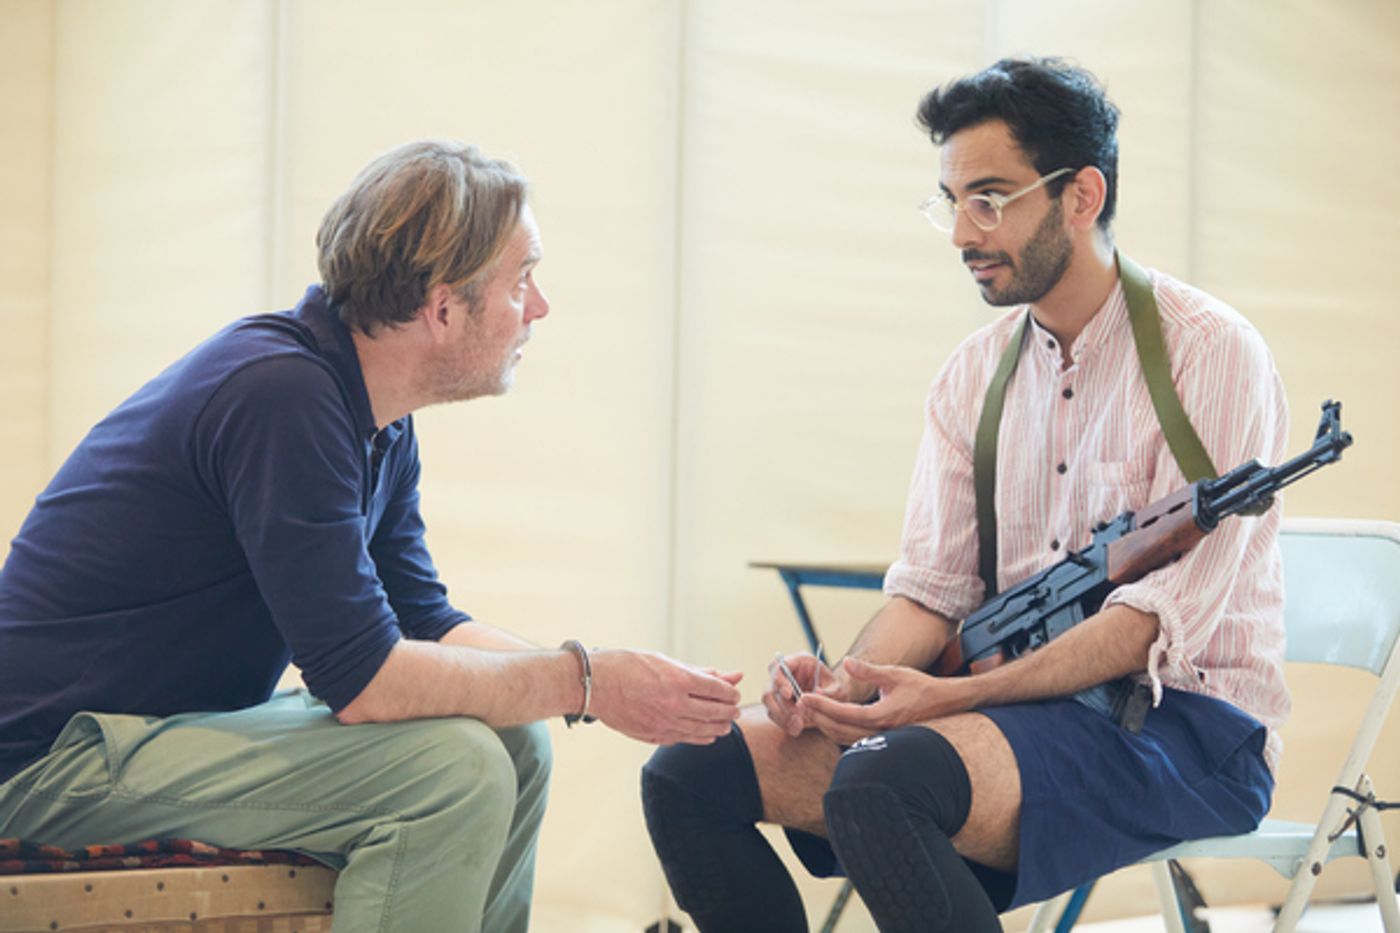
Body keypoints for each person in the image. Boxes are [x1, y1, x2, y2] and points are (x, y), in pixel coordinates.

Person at [0, 140, 743, 933]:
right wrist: (589, 682)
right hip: (52, 762)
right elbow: (364, 682)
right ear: (443, 306)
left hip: (162, 730)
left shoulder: (372, 418)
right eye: (521, 280)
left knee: (517, 740)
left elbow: (424, 620)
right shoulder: (281, 396)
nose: (540, 307)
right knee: (452, 773)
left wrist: (606, 675)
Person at [642, 57, 1289, 932]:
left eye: (989, 198)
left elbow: (1150, 621)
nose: (960, 233)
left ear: (1081, 195)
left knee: (881, 782)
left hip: (1180, 726)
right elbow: (934, 593)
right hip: (1020, 718)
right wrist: (845, 685)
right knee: (690, 769)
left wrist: (950, 699)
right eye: (950, 201)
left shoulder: (1210, 351)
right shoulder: (971, 378)